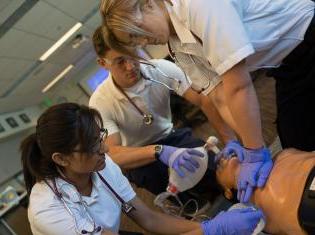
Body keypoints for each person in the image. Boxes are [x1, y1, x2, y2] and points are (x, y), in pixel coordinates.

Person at [99, 0, 315, 202]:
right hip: (286, 64)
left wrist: (254, 149)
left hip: (308, 35)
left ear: (148, 4)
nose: (144, 42)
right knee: (296, 141)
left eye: (138, 33)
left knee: (299, 142)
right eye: (135, 41)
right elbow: (219, 96)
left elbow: (238, 86)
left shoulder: (197, 5)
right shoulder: (176, 45)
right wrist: (238, 142)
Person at [21, 103, 263, 235]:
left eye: (101, 137)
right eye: (93, 146)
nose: (105, 149)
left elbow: (149, 219)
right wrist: (211, 231)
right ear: (61, 159)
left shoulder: (102, 168)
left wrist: (206, 227)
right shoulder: (49, 209)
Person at [89, 26, 235, 205]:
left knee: (217, 173)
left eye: (132, 54)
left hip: (171, 137)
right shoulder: (100, 102)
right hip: (138, 157)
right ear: (103, 63)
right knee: (185, 202)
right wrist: (158, 151)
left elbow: (204, 101)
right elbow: (113, 154)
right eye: (119, 61)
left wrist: (230, 141)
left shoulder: (160, 69)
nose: (131, 66)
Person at [212, 148, 315, 235]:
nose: (222, 157)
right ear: (227, 193)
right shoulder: (259, 218)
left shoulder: (283, 154)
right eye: (218, 169)